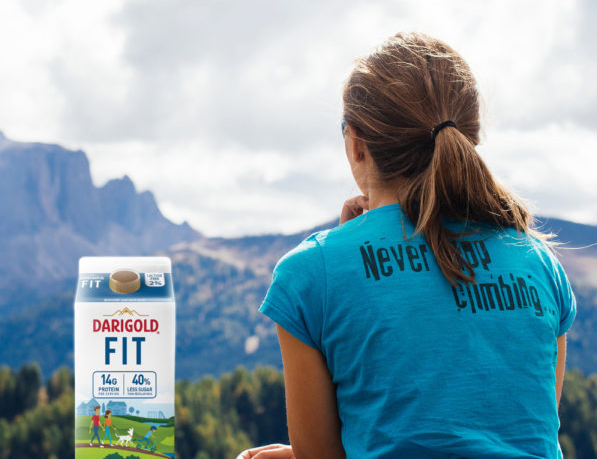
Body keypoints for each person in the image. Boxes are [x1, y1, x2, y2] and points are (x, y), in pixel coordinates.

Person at [236, 32, 576, 459]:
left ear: (356, 143)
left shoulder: (310, 274)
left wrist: (343, 260)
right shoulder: (540, 263)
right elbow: (514, 433)